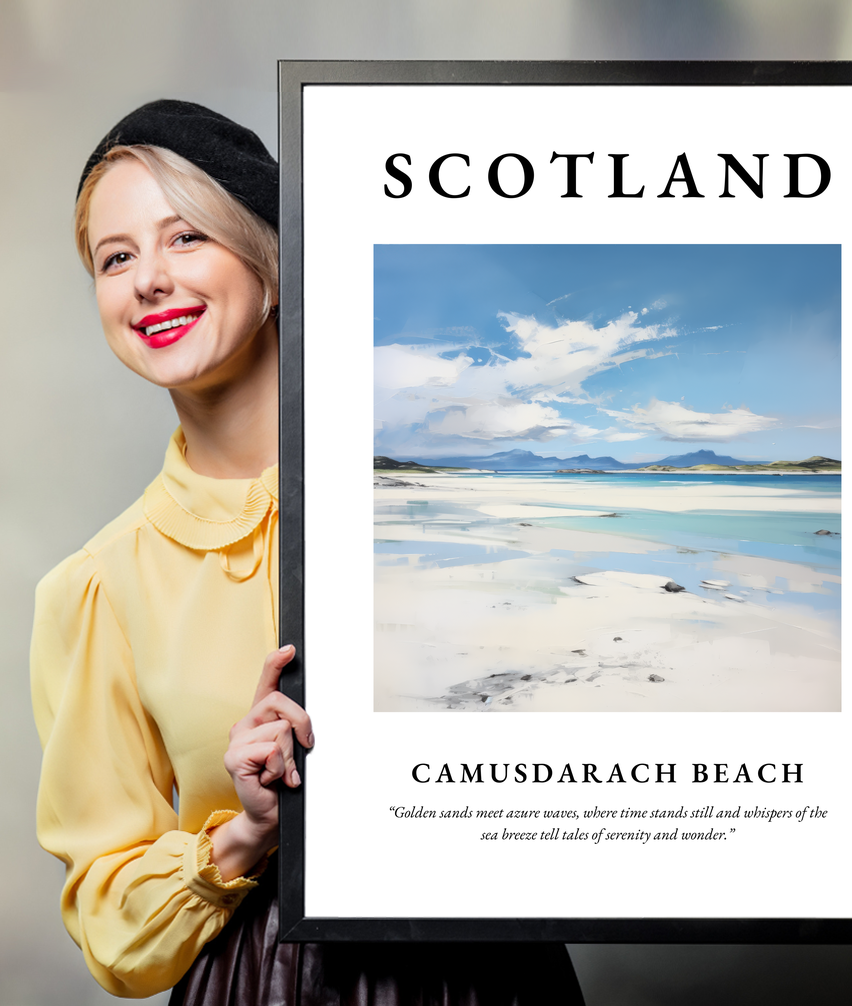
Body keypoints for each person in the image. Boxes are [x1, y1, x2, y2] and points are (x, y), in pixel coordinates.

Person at [30, 100, 585, 1004]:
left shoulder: (449, 504)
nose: (148, 281)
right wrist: (244, 832)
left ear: (273, 264)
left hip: (493, 973)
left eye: (186, 239)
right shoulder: (97, 587)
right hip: (262, 981)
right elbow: (110, 924)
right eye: (116, 257)